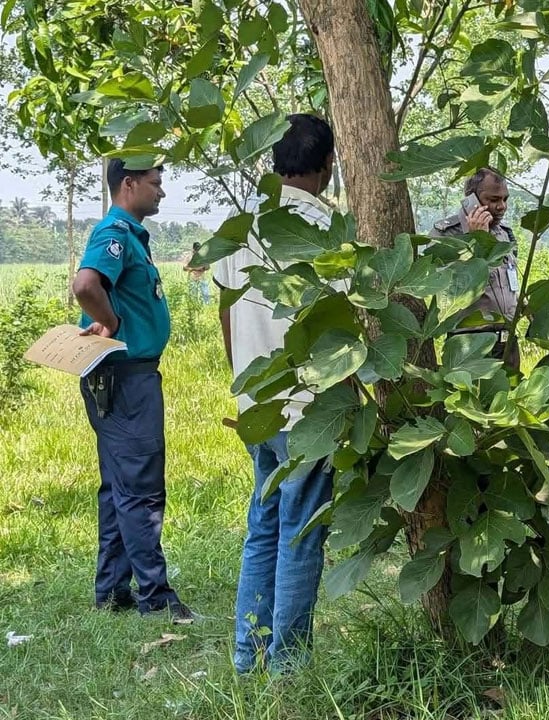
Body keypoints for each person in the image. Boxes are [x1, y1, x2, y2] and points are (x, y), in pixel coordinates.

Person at [213, 113, 337, 673]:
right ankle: (288, 666)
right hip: (309, 410)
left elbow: (226, 312)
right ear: (327, 165)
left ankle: (248, 656)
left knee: (263, 527)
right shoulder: (327, 230)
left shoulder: (241, 225)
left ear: (273, 160)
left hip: (257, 405)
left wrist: (244, 379)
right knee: (300, 534)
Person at [73, 158, 192, 623]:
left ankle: (112, 590)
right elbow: (86, 284)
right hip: (125, 378)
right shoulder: (115, 233)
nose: (161, 192)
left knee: (119, 486)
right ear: (129, 184)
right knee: (141, 488)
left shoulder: (128, 234)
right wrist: (111, 321)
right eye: (155, 183)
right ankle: (156, 597)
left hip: (120, 376)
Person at [429, 168, 519, 365]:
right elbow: (452, 287)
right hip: (468, 342)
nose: (502, 206)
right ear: (472, 199)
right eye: (493, 199)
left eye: (505, 199)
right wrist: (476, 239)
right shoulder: (446, 234)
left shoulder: (504, 234)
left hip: (507, 340)